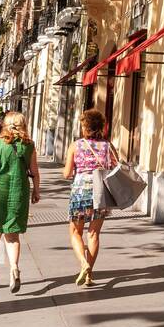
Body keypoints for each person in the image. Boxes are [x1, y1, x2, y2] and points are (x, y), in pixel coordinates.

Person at [0, 111, 40, 293]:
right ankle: (14, 268)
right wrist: (36, 191)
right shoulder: (29, 145)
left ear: (5, 125)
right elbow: (35, 171)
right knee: (13, 235)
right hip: (19, 191)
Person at [61, 108, 116, 287]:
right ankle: (89, 275)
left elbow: (67, 174)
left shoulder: (76, 145)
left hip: (80, 192)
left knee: (75, 232)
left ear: (85, 127)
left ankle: (83, 264)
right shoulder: (108, 146)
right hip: (100, 193)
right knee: (94, 234)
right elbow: (115, 167)